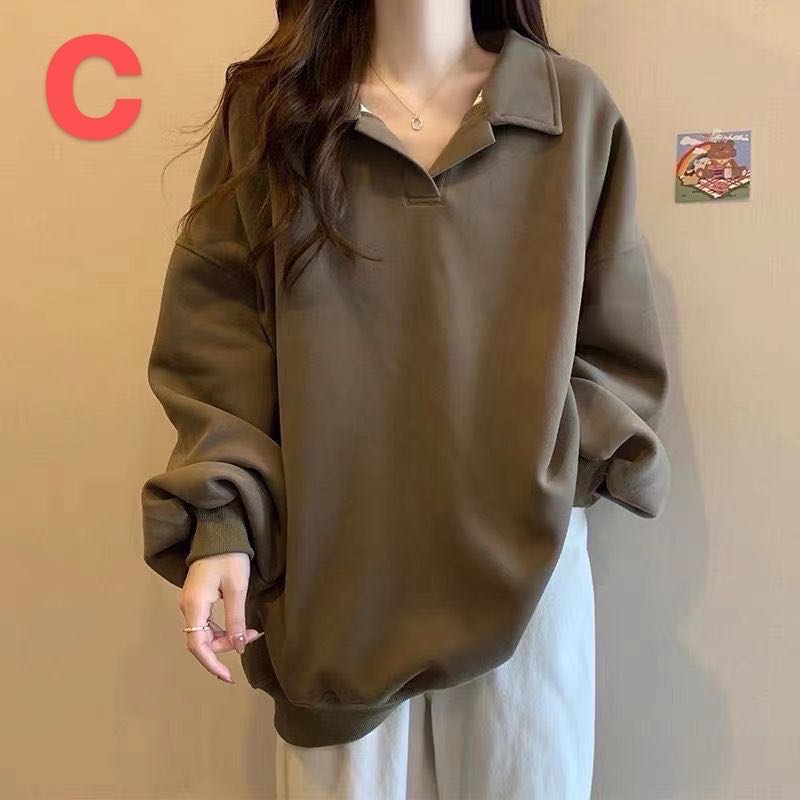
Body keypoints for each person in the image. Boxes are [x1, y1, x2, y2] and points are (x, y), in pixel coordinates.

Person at [140, 1, 671, 797]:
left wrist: (556, 462)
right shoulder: (274, 109)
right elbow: (219, 342)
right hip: (335, 579)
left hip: (526, 567)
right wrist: (222, 519)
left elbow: (613, 342)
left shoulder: (570, 110)